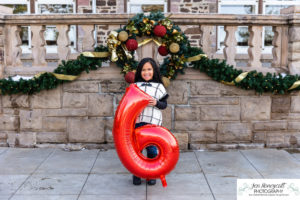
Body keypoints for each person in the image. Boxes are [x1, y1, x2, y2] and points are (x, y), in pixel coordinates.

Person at [133, 57, 169, 186]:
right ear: (139, 71)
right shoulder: (135, 86)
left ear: (154, 71)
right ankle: (137, 173)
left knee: (152, 150)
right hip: (138, 122)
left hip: (153, 124)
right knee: (136, 149)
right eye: (143, 70)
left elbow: (164, 104)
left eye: (149, 69)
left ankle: (151, 174)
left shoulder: (159, 87)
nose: (146, 72)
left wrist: (156, 103)